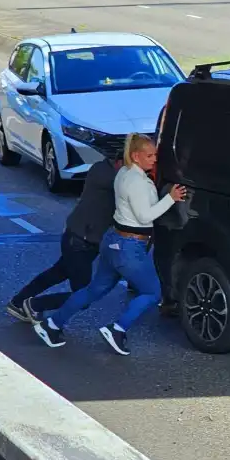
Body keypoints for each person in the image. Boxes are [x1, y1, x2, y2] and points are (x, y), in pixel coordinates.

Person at [33, 134, 187, 355]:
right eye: (150, 155)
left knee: (94, 289)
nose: (154, 159)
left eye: (155, 154)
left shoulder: (124, 173)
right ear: (135, 156)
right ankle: (118, 330)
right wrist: (171, 198)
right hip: (129, 247)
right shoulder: (136, 182)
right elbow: (145, 216)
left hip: (113, 240)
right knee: (153, 293)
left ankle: (52, 325)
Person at [6, 153, 121, 323]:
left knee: (57, 273)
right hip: (81, 241)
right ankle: (35, 305)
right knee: (84, 295)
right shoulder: (108, 176)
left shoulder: (102, 169)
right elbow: (123, 187)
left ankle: (18, 302)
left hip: (79, 237)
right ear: (120, 161)